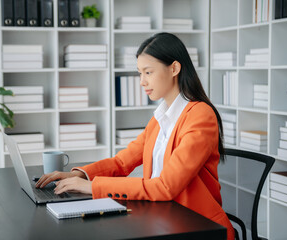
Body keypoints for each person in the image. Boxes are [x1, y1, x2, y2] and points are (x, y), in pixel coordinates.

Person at [36, 32, 235, 240]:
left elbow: (165, 187)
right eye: (140, 73)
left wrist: (92, 187)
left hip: (198, 225)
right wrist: (79, 175)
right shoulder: (161, 117)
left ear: (174, 68)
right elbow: (122, 162)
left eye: (148, 72)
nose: (142, 82)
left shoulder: (200, 115)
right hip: (162, 218)